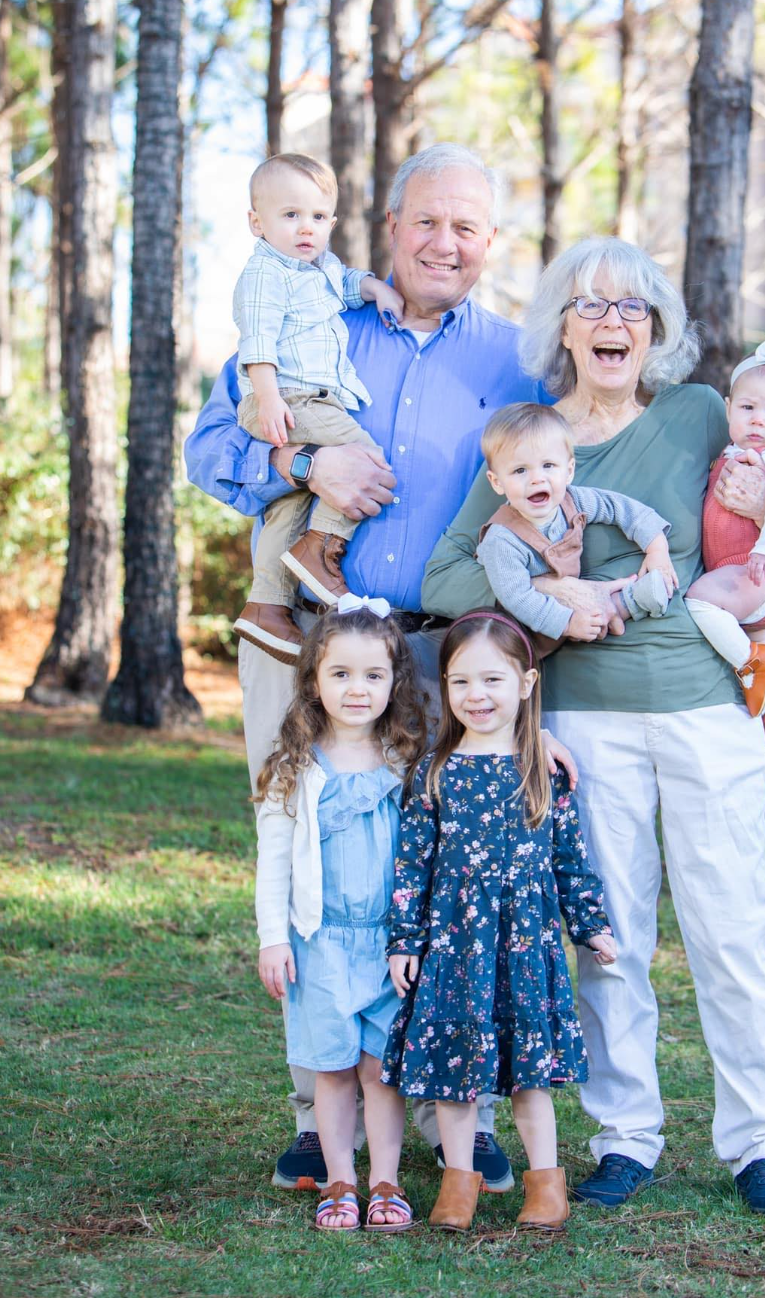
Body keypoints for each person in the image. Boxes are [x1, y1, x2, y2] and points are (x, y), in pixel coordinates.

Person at [186, 143, 571, 1195]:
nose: (445, 243)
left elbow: (559, 487)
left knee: (455, 869)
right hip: (318, 639)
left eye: (467, 228)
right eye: (426, 222)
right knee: (317, 860)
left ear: (488, 244)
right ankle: (323, 1116)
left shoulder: (515, 361)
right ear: (391, 228)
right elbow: (210, 444)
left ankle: (462, 1115)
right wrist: (309, 461)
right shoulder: (314, 316)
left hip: (454, 650)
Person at [422, 236, 765, 1219]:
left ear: (656, 329)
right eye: (591, 305)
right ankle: (624, 1136)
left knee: (732, 928)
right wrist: (549, 584)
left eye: (632, 307)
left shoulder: (695, 414)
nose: (612, 322)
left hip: (703, 709)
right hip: (585, 724)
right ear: (560, 325)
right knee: (609, 937)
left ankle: (756, 1140)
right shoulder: (530, 437)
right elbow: (447, 576)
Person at [382, 611, 616, 1232]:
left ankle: (545, 1184)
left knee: (529, 1076)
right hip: (455, 945)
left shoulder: (542, 770)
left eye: (491, 680)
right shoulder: (434, 772)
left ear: (526, 684)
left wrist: (591, 923)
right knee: (457, 1071)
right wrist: (405, 941)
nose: (476, 696)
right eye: (460, 683)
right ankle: (460, 1182)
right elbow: (411, 867)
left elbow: (570, 857)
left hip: (525, 947)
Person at [254, 597, 428, 1231]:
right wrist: (274, 938)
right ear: (315, 680)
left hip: (390, 945)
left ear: (394, 681)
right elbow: (273, 860)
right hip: (318, 941)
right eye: (341, 674)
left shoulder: (407, 759)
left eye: (374, 676)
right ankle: (339, 1181)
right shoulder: (295, 767)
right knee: (331, 1069)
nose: (358, 689)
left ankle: (385, 1180)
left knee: (381, 1071)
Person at [233, 153, 404, 656]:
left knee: (288, 502)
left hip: (294, 399)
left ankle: (266, 604)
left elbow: (345, 283)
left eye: (317, 217)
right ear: (256, 222)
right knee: (365, 459)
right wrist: (266, 398)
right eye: (290, 215)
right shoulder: (266, 274)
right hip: (288, 397)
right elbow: (257, 342)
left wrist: (374, 287)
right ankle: (320, 549)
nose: (305, 228)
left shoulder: (316, 268)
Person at [685, 338, 765, 752]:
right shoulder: (731, 451)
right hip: (741, 572)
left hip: (755, 570)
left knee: (698, 601)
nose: (759, 421)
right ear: (728, 408)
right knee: (758, 641)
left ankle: (750, 670)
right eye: (748, 408)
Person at [476, 401, 675, 652]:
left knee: (596, 612)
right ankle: (621, 607)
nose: (537, 478)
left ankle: (623, 603)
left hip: (573, 606)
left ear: (569, 470)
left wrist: (656, 546)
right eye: (519, 470)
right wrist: (568, 622)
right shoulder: (502, 540)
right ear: (497, 482)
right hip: (525, 630)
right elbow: (518, 598)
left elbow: (619, 507)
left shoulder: (573, 501)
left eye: (548, 465)